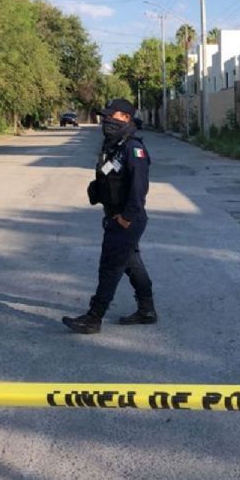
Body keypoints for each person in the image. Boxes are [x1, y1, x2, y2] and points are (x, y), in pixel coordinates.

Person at [63, 98, 156, 334]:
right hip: (115, 216)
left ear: (125, 118)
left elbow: (138, 189)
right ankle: (147, 310)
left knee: (110, 267)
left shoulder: (133, 149)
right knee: (132, 264)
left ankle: (93, 318)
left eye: (110, 116)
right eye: (104, 117)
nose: (105, 121)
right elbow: (107, 176)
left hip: (126, 219)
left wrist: (126, 218)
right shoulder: (115, 146)